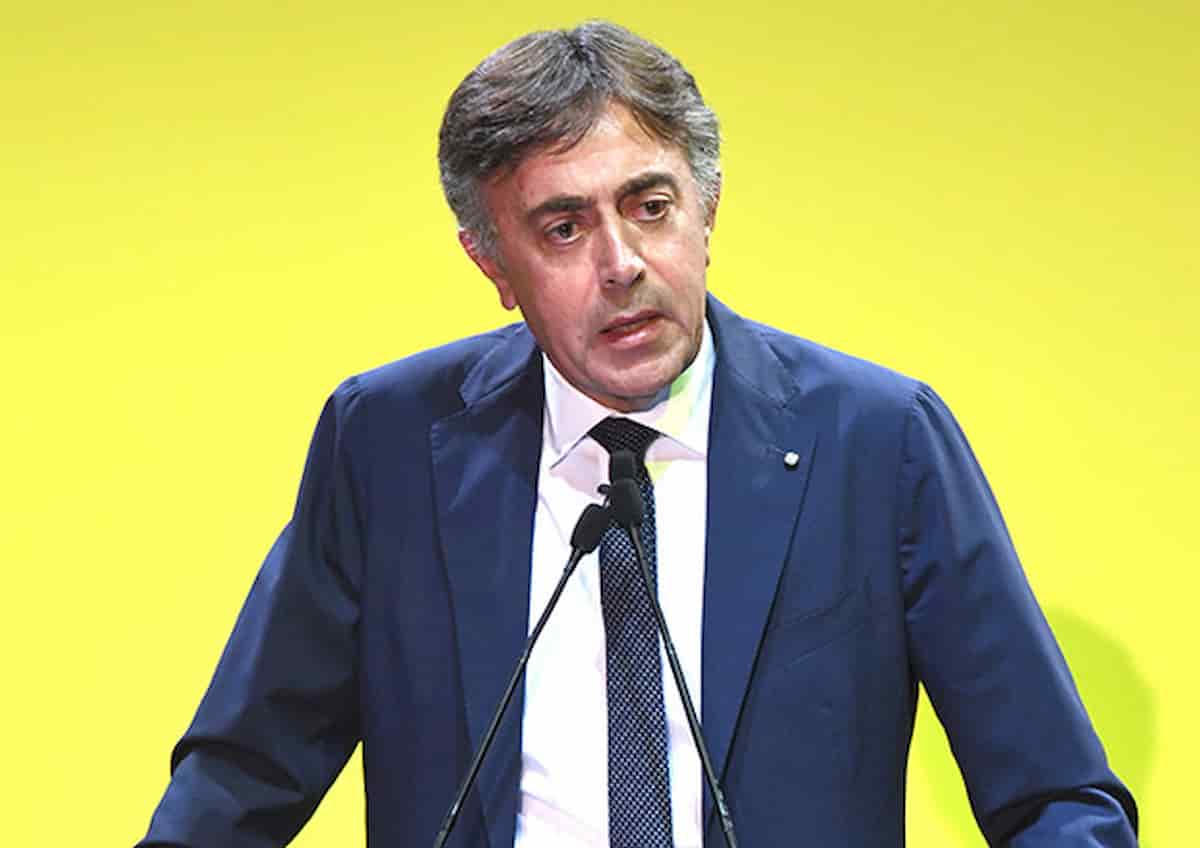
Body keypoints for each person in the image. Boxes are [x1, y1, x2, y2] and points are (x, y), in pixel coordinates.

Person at [137, 20, 1138, 848]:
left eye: (650, 205)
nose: (621, 262)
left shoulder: (878, 442)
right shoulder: (390, 441)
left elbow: (1057, 798)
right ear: (492, 263)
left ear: (707, 209)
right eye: (564, 228)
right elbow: (245, 772)